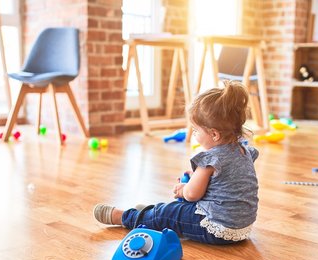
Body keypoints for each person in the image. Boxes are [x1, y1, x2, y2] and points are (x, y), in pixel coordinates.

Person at [93, 81, 259, 245]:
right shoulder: (244, 151)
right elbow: (227, 183)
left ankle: (125, 217)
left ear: (214, 134)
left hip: (216, 228)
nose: (194, 134)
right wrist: (196, 177)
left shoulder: (210, 158)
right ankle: (149, 215)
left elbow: (192, 195)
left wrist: (183, 190)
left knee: (165, 213)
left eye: (196, 130)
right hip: (242, 227)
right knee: (174, 213)